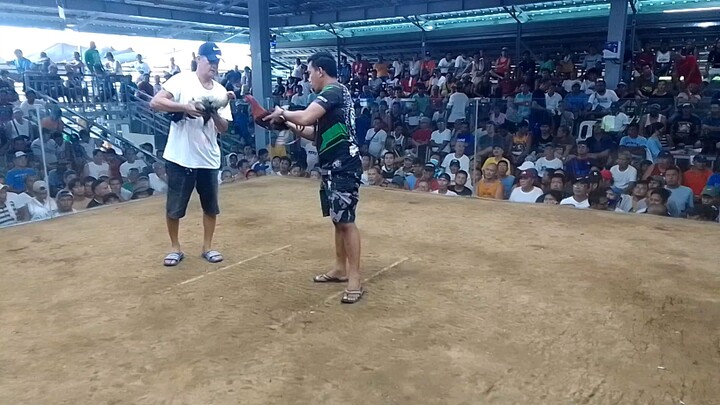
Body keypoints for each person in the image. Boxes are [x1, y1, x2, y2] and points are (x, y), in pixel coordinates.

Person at [264, 52, 364, 304]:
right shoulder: (333, 97)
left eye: (309, 73)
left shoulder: (333, 91)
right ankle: (340, 268)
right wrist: (287, 123)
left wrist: (283, 112)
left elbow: (306, 117)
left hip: (344, 165)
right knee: (338, 220)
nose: (308, 78)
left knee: (346, 221)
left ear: (320, 71)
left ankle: (354, 277)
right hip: (333, 165)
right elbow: (313, 132)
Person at [150, 42, 234, 267]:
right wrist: (185, 107)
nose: (214, 66)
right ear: (199, 59)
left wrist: (213, 113)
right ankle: (175, 247)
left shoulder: (220, 91)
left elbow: (224, 128)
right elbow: (156, 102)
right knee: (175, 207)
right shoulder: (181, 80)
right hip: (180, 156)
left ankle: (207, 247)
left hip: (208, 157)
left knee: (210, 206)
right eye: (210, 61)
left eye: (216, 62)